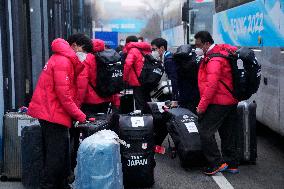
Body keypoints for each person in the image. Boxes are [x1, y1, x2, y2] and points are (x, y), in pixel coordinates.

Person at [27, 34, 93, 189]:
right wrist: (80, 115)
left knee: (61, 154)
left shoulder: (63, 59)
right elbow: (64, 96)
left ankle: (62, 185)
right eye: (84, 51)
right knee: (55, 158)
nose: (85, 56)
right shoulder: (63, 61)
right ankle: (49, 186)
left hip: (53, 113)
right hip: (52, 114)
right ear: (75, 46)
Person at [194, 31, 239, 175]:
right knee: (227, 132)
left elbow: (211, 86)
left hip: (219, 101)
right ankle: (231, 164)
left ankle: (215, 163)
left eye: (199, 45)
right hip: (230, 100)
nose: (197, 48)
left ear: (207, 43)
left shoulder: (214, 60)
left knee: (205, 130)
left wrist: (201, 107)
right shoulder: (220, 53)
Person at [123, 35, 152, 112]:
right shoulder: (144, 49)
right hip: (147, 78)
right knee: (147, 100)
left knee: (139, 102)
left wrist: (125, 78)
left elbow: (128, 64)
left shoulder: (132, 50)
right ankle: (151, 118)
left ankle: (142, 120)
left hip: (137, 80)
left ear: (128, 43)